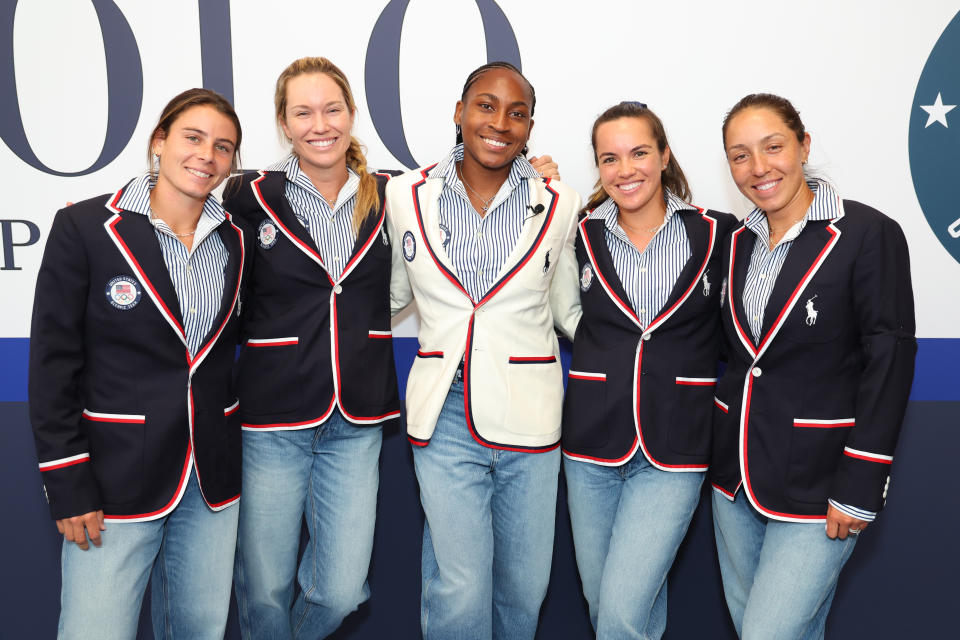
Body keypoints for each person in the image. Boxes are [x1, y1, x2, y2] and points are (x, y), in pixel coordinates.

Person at [223, 56, 560, 639]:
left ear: (352, 115)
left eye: (332, 109)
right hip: (271, 415)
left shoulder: (390, 195)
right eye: (302, 112)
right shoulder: (246, 196)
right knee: (265, 589)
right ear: (283, 122)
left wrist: (534, 172)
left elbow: (402, 282)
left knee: (339, 590)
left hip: (355, 417)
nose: (319, 124)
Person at [29, 88, 246, 640]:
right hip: (113, 479)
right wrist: (68, 480)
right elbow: (54, 362)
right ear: (159, 141)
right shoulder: (84, 227)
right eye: (193, 138)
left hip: (210, 481)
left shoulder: (235, 241)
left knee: (199, 630)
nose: (206, 155)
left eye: (223, 147)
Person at [386, 61, 581, 640]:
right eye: (486, 105)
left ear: (529, 126)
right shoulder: (404, 194)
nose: (500, 122)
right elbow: (391, 294)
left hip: (532, 415)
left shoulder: (559, 201)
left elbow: (569, 312)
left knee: (524, 590)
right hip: (444, 413)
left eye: (517, 112)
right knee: (460, 586)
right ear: (459, 113)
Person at [709, 93, 916, 639]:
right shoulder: (734, 242)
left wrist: (864, 479)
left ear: (803, 144)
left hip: (822, 481)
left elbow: (888, 361)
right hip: (735, 478)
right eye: (740, 155)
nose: (758, 168)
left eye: (773, 146)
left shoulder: (869, 234)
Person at [561, 101, 736, 638]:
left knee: (621, 611)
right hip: (590, 443)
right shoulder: (578, 234)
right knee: (607, 608)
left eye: (639, 152)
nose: (625, 169)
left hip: (676, 445)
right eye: (609, 159)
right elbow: (564, 312)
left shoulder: (719, 234)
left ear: (664, 156)